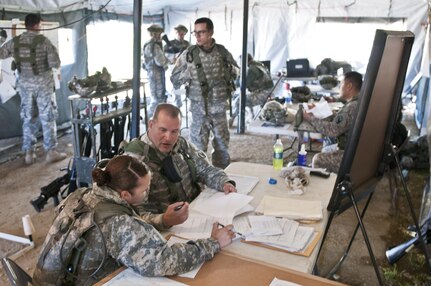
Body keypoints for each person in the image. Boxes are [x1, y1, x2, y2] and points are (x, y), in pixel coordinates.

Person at [32, 155, 235, 285]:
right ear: (125, 195)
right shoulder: (118, 223)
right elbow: (162, 262)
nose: (147, 193)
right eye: (144, 190)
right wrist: (213, 243)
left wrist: (162, 220)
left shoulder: (81, 195)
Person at [121, 103, 237, 218]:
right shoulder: (135, 160)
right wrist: (165, 220)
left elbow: (205, 169)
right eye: (163, 130)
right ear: (151, 124)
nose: (168, 137)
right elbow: (135, 214)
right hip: (165, 226)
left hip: (196, 210)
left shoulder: (180, 144)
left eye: (174, 131)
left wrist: (224, 182)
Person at [171, 17, 239, 169]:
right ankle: (198, 183)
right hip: (199, 110)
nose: (197, 36)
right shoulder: (188, 54)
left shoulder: (222, 52)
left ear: (211, 32)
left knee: (222, 147)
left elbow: (237, 72)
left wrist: (228, 71)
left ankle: (222, 177)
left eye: (201, 32)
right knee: (197, 149)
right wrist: (186, 74)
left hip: (219, 109)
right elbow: (174, 78)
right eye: (195, 33)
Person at [0, 14, 66, 164]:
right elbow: (55, 63)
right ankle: (51, 152)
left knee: (28, 118)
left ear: (26, 24)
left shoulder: (15, 42)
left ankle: (29, 153)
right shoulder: (44, 42)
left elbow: (1, 54)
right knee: (47, 117)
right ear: (37, 25)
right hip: (43, 86)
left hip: (24, 86)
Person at [303, 71, 363, 173]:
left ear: (349, 86)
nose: (339, 87)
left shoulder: (352, 106)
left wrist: (310, 118)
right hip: (356, 148)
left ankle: (325, 187)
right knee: (326, 148)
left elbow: (333, 131)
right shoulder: (360, 100)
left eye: (341, 84)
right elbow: (343, 120)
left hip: (353, 154)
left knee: (318, 159)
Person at [230, 53, 273, 126]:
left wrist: (233, 81)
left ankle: (231, 120)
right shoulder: (260, 65)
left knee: (239, 100)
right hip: (268, 92)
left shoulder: (252, 69)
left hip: (262, 94)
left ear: (244, 61)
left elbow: (244, 83)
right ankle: (251, 117)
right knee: (245, 97)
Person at [143, 24, 170, 118]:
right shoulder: (155, 46)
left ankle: (152, 117)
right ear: (153, 34)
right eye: (157, 34)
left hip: (151, 73)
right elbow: (160, 61)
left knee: (155, 97)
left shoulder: (147, 44)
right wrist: (170, 61)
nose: (159, 36)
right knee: (158, 98)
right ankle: (148, 117)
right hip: (156, 74)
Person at [164, 24, 190, 108]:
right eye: (180, 34)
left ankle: (186, 103)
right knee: (176, 89)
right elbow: (164, 58)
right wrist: (173, 59)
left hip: (185, 69)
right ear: (176, 33)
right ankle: (177, 107)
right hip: (174, 70)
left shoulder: (187, 44)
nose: (182, 36)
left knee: (188, 88)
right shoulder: (169, 44)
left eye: (183, 34)